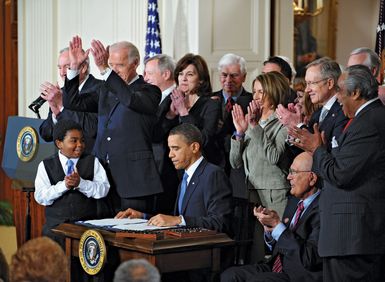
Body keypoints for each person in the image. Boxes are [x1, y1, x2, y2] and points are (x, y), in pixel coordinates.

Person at [288, 65, 385, 281]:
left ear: (356, 92)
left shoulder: (369, 122)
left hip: (353, 237)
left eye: (340, 90)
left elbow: (341, 173)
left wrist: (316, 149)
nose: (337, 97)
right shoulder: (364, 119)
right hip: (346, 238)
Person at [63, 36, 163, 215]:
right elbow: (72, 102)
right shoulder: (105, 90)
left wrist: (104, 69)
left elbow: (129, 99)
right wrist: (74, 68)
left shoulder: (149, 91)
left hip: (134, 182)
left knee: (131, 237)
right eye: (111, 64)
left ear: (135, 63)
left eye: (120, 65)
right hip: (101, 179)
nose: (114, 71)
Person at [221, 152, 322, 282]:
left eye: (294, 172)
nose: (288, 177)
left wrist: (278, 226)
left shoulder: (322, 208)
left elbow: (309, 258)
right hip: (276, 266)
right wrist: (270, 230)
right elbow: (280, 244)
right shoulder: (293, 201)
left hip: (298, 274)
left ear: (312, 178)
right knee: (229, 276)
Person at [116, 123, 233, 234]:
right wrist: (143, 216)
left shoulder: (213, 174)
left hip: (203, 250)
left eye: (175, 148)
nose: (170, 154)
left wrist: (178, 220)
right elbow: (174, 219)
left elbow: (221, 222)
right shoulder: (185, 176)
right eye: (170, 149)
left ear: (194, 147)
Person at [229, 71, 292, 263]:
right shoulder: (252, 121)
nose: (255, 96)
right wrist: (240, 133)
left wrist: (254, 127)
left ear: (274, 92)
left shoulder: (282, 123)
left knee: (277, 251)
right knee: (258, 253)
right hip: (254, 196)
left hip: (275, 196)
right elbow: (235, 162)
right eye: (255, 91)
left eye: (261, 92)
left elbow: (273, 157)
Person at [34, 119, 110, 246]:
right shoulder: (46, 165)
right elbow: (41, 196)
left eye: (82, 140)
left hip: (86, 230)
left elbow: (103, 189)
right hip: (55, 230)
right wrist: (63, 186)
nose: (80, 145)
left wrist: (81, 183)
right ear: (59, 143)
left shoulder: (92, 161)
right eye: (74, 141)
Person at [211, 53, 252, 264]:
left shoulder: (253, 101)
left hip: (239, 174)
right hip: (215, 171)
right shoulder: (209, 100)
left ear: (244, 77)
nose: (229, 80)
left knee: (239, 227)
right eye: (225, 75)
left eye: (234, 76)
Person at [162, 53, 223, 166]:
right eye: (181, 74)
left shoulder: (211, 104)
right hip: (171, 167)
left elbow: (204, 139)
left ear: (200, 80)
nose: (183, 79)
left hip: (201, 166)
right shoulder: (172, 99)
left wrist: (184, 112)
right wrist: (170, 115)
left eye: (189, 74)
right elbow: (157, 135)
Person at [277, 57, 348, 152]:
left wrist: (298, 125)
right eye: (307, 84)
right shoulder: (317, 114)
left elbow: (333, 153)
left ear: (330, 83)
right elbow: (299, 153)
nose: (307, 90)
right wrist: (292, 128)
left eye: (311, 83)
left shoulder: (343, 111)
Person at [39, 47, 101, 154]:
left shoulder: (100, 89)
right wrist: (55, 113)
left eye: (67, 67)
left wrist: (61, 106)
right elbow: (46, 134)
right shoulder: (61, 93)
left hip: (91, 159)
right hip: (66, 162)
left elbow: (92, 129)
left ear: (83, 68)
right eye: (59, 67)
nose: (62, 73)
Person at [144, 54, 179, 215]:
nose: (145, 78)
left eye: (149, 73)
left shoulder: (177, 98)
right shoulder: (152, 98)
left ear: (166, 74)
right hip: (152, 168)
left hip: (167, 168)